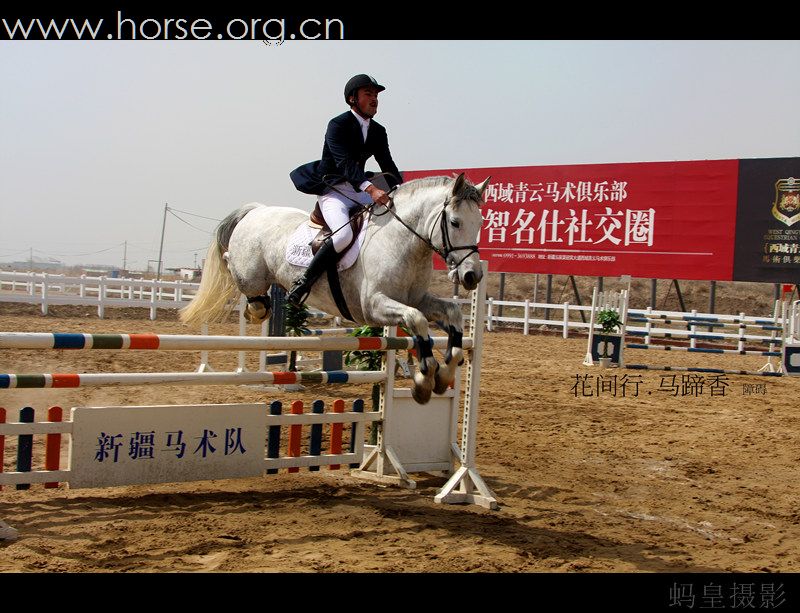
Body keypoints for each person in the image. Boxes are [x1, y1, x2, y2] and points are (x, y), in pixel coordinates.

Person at [287, 73, 403, 306]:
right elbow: (344, 164)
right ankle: (304, 283)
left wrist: (400, 187)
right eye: (368, 94)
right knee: (343, 235)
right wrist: (371, 189)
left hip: (359, 188)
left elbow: (387, 163)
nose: (374, 99)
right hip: (334, 190)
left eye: (376, 95)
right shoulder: (338, 124)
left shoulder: (378, 131)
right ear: (353, 99)